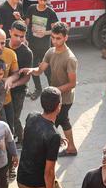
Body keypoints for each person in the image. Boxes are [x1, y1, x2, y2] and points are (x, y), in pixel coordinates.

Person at [22, 22, 78, 156]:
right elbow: (40, 69)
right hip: (54, 97)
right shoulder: (50, 51)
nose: (54, 41)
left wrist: (55, 91)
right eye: (52, 37)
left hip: (64, 99)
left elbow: (72, 83)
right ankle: (67, 147)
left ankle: (67, 147)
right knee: (59, 121)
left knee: (57, 121)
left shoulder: (70, 58)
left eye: (58, 38)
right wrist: (31, 70)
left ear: (66, 38)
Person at [16, 87, 66, 188]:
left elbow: (31, 138)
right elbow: (49, 172)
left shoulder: (31, 116)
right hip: (38, 182)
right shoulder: (53, 135)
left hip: (22, 178)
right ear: (59, 107)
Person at [24, 0, 57, 99]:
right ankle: (38, 89)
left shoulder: (50, 12)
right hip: (32, 44)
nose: (42, 2)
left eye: (44, 0)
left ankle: (52, 91)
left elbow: (56, 30)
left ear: (48, 0)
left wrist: (46, 32)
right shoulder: (31, 8)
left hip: (44, 46)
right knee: (34, 68)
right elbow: (26, 24)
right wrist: (26, 36)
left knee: (47, 70)